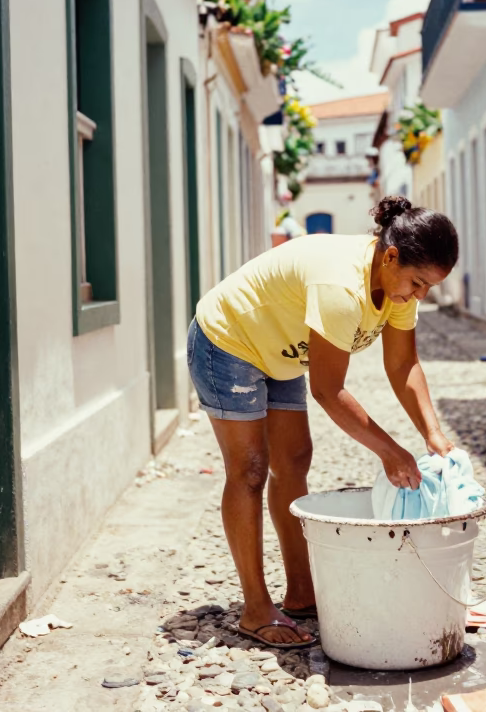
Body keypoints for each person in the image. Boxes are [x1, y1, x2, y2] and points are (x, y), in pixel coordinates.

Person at [187, 195, 459, 648]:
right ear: (391, 256)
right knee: (249, 469)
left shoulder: (396, 286)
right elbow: (329, 390)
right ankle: (255, 609)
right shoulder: (342, 286)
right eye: (417, 283)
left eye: (428, 287)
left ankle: (301, 593)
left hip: (282, 351)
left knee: (294, 459)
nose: (420, 295)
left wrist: (433, 433)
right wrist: (390, 452)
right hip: (229, 340)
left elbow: (402, 364)